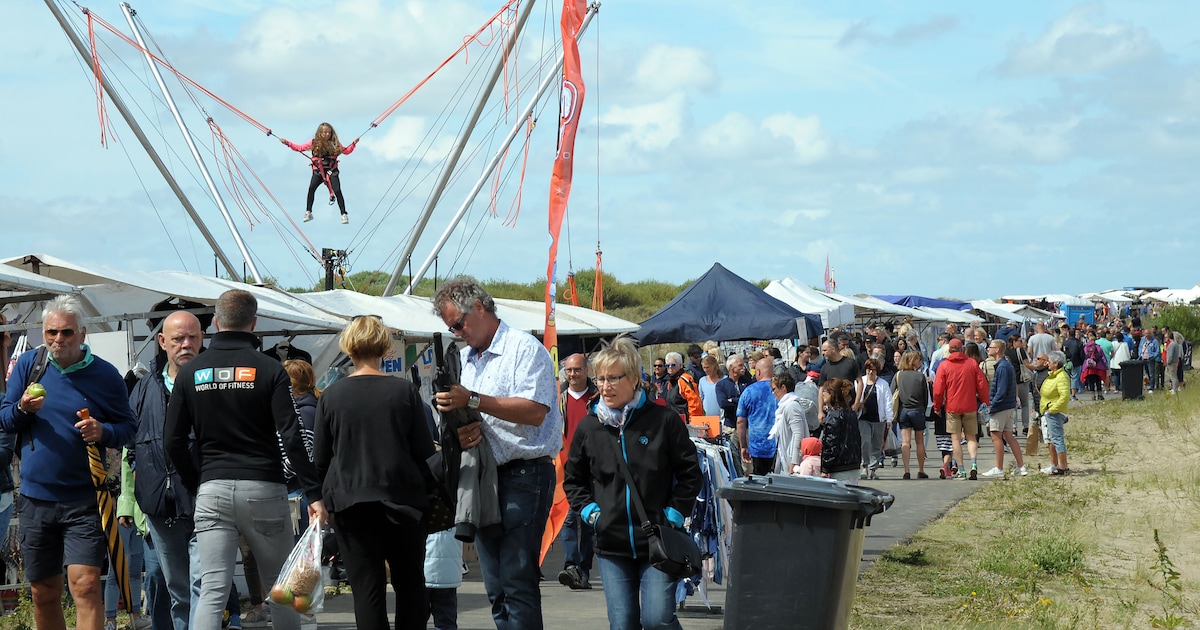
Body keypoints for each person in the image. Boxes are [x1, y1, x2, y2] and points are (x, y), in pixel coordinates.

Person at [163, 289, 327, 630]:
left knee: (212, 589)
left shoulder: (193, 372)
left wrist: (198, 481)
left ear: (217, 323)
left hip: (212, 488)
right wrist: (313, 492)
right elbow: (292, 435)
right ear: (253, 323)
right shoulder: (270, 369)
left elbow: (172, 441)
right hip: (263, 487)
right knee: (280, 586)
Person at [0, 295, 138, 630]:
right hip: (35, 499)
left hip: (85, 499)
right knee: (43, 590)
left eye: (66, 333)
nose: (57, 340)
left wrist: (101, 430)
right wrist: (22, 409)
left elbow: (129, 428)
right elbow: (5, 418)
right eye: (51, 333)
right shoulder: (30, 365)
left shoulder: (105, 375)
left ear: (82, 333)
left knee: (86, 584)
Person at [431, 277, 561, 630]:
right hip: (484, 476)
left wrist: (472, 401)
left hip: (525, 474)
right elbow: (475, 413)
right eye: (450, 328)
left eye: (458, 323)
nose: (457, 332)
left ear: (479, 307)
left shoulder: (524, 348)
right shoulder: (464, 359)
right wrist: (462, 427)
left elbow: (535, 411)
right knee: (496, 588)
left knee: (516, 581)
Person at [563, 336, 703, 630]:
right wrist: (591, 513)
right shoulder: (590, 427)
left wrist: (674, 513)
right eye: (600, 379)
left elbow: (691, 472)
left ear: (635, 379)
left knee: (656, 620)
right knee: (623, 624)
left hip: (657, 541)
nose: (604, 386)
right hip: (611, 544)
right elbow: (573, 479)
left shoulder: (664, 421)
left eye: (613, 378)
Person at [313, 315, 436, 629]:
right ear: (384, 348)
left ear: (349, 348)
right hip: (403, 500)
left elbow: (322, 458)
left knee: (366, 590)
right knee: (410, 585)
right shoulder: (404, 392)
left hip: (350, 502)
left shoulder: (331, 396)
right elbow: (423, 448)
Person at [131, 311, 204, 630]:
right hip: (161, 503)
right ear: (162, 342)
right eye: (178, 339)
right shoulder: (144, 387)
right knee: (178, 589)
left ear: (203, 339)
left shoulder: (212, 381)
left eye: (192, 337)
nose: (186, 344)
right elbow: (130, 438)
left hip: (207, 500)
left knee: (204, 585)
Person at [556, 353, 598, 591]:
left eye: (577, 370)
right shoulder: (558, 397)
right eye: (569, 370)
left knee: (590, 522)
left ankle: (584, 569)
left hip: (593, 466)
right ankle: (572, 566)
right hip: (567, 466)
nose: (572, 374)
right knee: (568, 519)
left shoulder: (597, 397)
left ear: (586, 371)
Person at [279, 122, 360, 224]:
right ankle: (308, 211)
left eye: (329, 133)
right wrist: (287, 143)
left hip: (331, 171)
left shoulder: (335, 144)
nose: (327, 134)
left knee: (337, 190)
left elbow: (346, 151)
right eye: (325, 132)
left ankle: (344, 214)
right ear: (320, 133)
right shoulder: (314, 142)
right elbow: (299, 148)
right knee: (311, 188)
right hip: (319, 171)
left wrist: (353, 144)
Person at [932, 338, 989, 480]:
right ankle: (974, 464)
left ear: (949, 350)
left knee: (955, 439)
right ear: (962, 349)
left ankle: (962, 470)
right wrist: (985, 402)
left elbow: (938, 389)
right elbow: (982, 384)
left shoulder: (944, 366)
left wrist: (937, 406)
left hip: (952, 407)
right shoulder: (972, 363)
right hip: (970, 406)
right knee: (971, 437)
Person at [981, 340, 1027, 478]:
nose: (988, 349)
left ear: (997, 350)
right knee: (1008, 435)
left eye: (991, 347)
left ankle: (999, 468)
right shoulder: (1006, 365)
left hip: (1000, 407)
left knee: (996, 435)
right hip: (1008, 406)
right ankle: (1021, 466)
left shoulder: (1002, 367)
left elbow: (1000, 391)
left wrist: (992, 406)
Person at [852, 358, 893, 480]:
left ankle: (873, 469)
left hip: (878, 418)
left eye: (873, 370)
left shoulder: (883, 384)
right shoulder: (860, 382)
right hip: (863, 417)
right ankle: (864, 465)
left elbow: (888, 401)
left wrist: (889, 418)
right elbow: (856, 396)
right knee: (865, 441)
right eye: (869, 369)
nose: (870, 372)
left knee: (877, 443)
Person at [736, 357, 777, 475]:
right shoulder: (780, 389)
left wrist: (743, 445)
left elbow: (740, 421)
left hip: (758, 446)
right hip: (779, 445)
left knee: (760, 482)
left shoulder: (749, 391)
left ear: (758, 372)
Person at [893, 351, 929, 479]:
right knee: (920, 442)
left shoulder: (898, 375)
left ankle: (906, 470)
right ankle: (921, 469)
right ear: (912, 361)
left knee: (905, 442)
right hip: (918, 410)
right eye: (918, 359)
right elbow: (925, 396)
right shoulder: (920, 376)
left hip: (903, 411)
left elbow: (893, 393)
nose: (920, 361)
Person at [818, 378, 862, 483]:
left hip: (840, 468)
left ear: (832, 394)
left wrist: (825, 468)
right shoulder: (851, 414)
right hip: (853, 465)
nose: (822, 393)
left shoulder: (834, 416)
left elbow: (831, 444)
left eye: (825, 391)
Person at [769, 372, 809, 474]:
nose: (773, 393)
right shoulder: (786, 406)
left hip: (792, 461)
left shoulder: (792, 407)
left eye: (774, 389)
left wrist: (794, 462)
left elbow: (798, 434)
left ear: (783, 388)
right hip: (786, 459)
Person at [1039, 351, 1071, 475]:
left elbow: (1064, 396)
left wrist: (1053, 409)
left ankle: (1063, 466)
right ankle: (1056, 464)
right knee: (1052, 439)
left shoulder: (1061, 376)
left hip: (1055, 412)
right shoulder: (1053, 375)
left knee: (1057, 439)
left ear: (1056, 363)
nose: (1047, 364)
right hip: (1049, 410)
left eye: (1050, 362)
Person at [715, 355, 753, 431]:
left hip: (747, 426)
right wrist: (742, 403)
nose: (744, 368)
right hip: (730, 426)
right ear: (731, 367)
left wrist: (733, 400)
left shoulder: (748, 383)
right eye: (740, 365)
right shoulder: (721, 385)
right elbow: (723, 403)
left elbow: (751, 401)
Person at [662, 351, 703, 420]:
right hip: (674, 420)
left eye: (673, 365)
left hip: (685, 422)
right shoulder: (669, 382)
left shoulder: (684, 380)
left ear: (680, 365)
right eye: (667, 365)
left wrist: (694, 422)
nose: (670, 368)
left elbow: (694, 403)